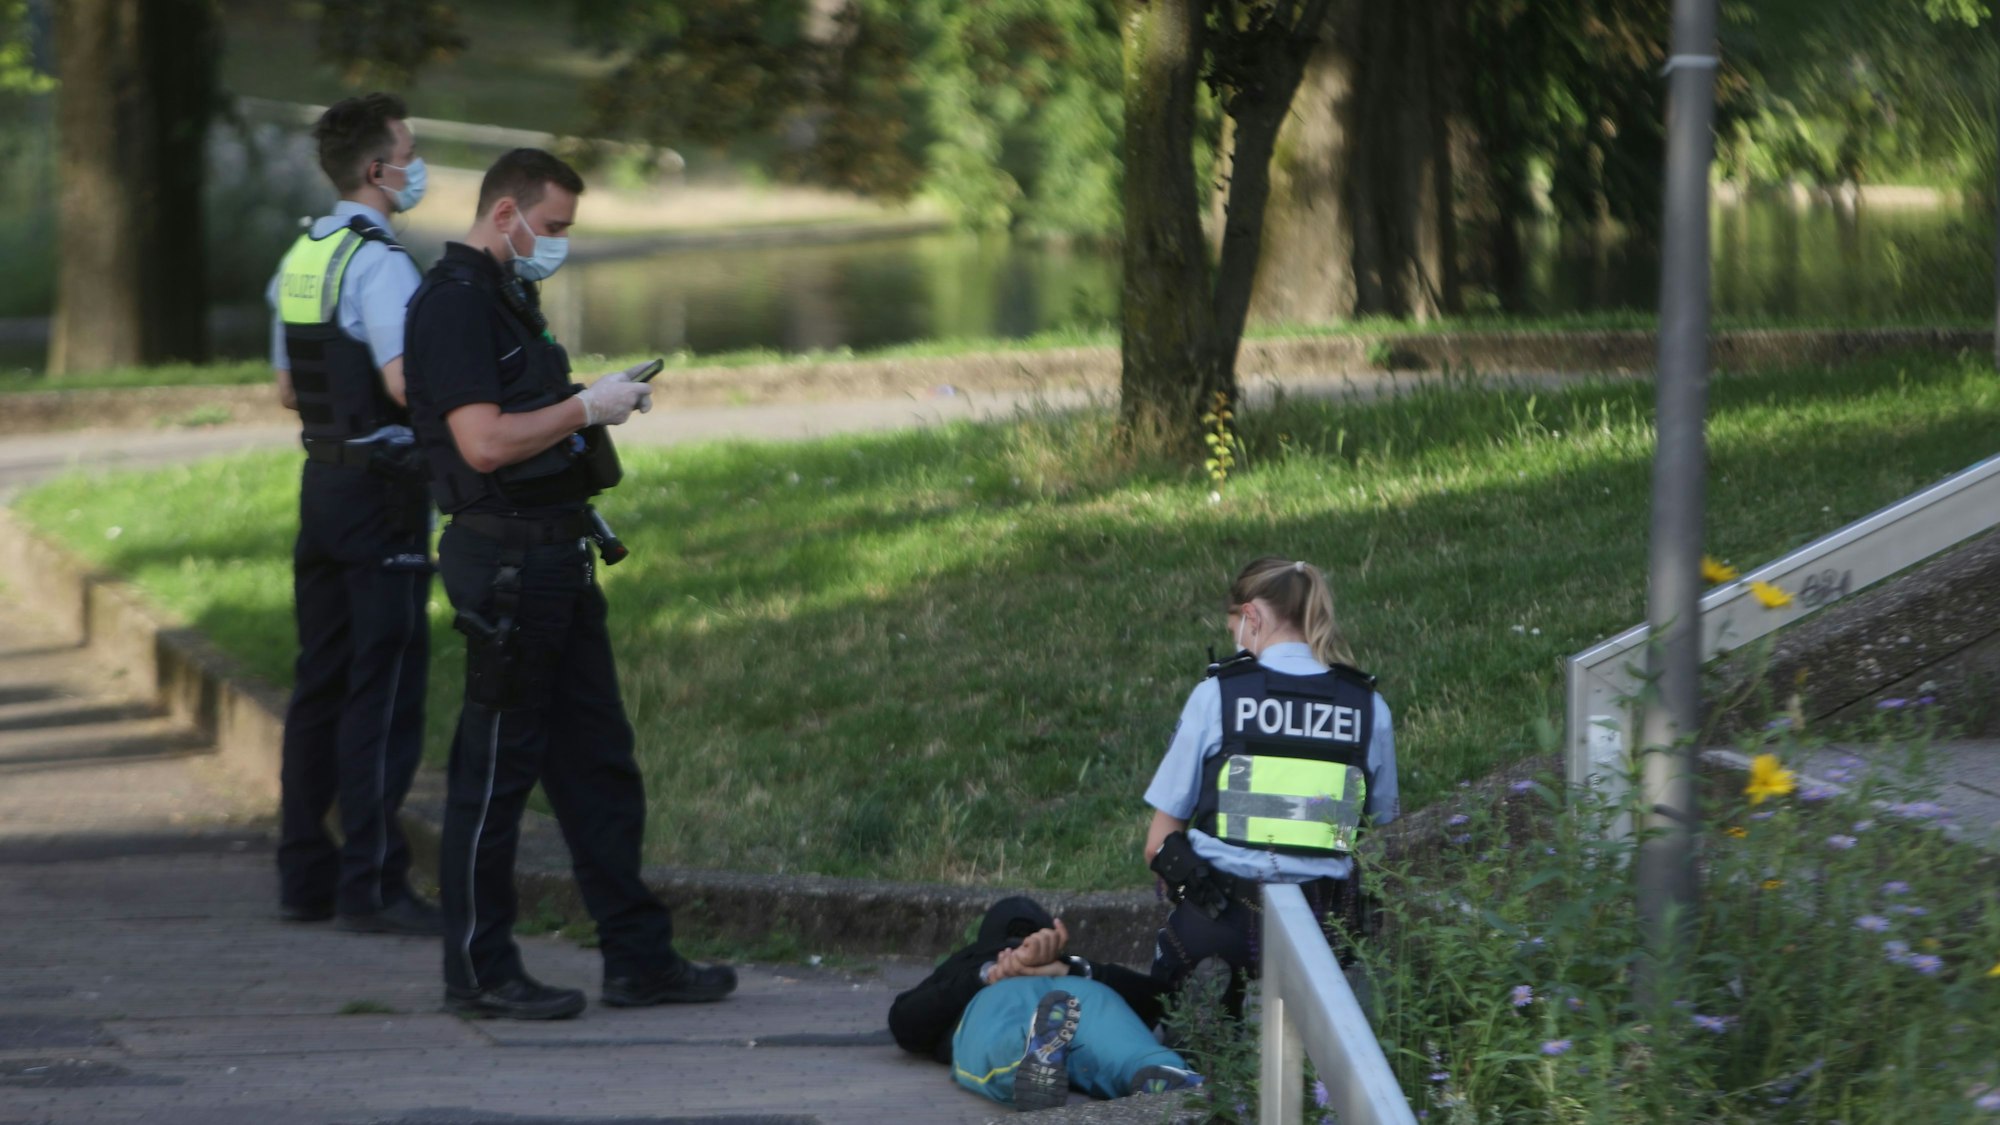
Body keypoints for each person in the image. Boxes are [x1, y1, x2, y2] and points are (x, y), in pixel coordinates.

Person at [402, 147, 734, 1021]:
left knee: (599, 767)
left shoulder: (510, 298)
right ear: (504, 212)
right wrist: (587, 410)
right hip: (505, 563)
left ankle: (639, 959)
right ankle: (478, 969)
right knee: (496, 774)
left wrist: (594, 401)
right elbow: (482, 442)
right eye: (550, 228)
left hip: (554, 557)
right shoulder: (455, 305)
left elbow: (528, 420)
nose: (557, 245)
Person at [270, 93, 440, 936]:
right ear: (378, 169)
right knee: (387, 683)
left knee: (322, 681)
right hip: (382, 492)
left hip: (322, 484)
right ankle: (371, 883)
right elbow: (409, 383)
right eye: (409, 151)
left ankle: (304, 874)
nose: (417, 165)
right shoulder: (381, 262)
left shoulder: (305, 252)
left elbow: (286, 387)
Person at [1142, 557, 1398, 1012]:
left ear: (1252, 617)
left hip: (1221, 916)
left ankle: (1206, 995)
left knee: (1174, 1021)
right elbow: (1380, 822)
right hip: (1325, 919)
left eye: (1234, 628)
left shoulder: (1217, 696)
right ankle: (1302, 996)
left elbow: (1158, 843)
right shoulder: (1368, 707)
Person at [889, 896, 1201, 1112]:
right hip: (1074, 992)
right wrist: (1071, 969)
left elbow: (905, 1022)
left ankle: (1032, 1054)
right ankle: (1165, 1070)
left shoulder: (965, 967)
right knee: (1120, 1041)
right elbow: (1157, 1000)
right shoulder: (1074, 969)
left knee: (1001, 1038)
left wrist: (991, 976)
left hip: (997, 999)